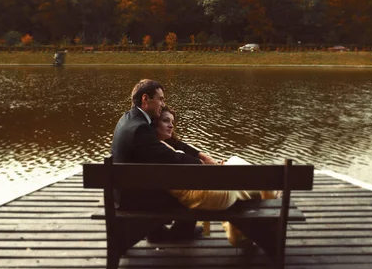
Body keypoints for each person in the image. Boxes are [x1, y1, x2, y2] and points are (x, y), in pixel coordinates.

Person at [152, 106, 278, 247]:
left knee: (242, 174)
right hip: (205, 194)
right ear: (154, 123)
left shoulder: (161, 146)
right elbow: (194, 171)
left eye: (172, 122)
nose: (171, 125)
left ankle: (241, 233)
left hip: (202, 190)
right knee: (243, 171)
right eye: (165, 121)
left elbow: (189, 168)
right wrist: (219, 170)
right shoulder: (159, 149)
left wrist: (218, 168)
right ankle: (270, 207)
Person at [111, 79, 203, 242]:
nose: (163, 103)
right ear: (146, 99)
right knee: (191, 195)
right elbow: (171, 158)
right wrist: (199, 164)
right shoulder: (140, 129)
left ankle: (156, 231)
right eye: (160, 99)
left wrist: (197, 154)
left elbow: (161, 149)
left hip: (122, 191)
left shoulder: (128, 119)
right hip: (133, 199)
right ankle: (181, 233)